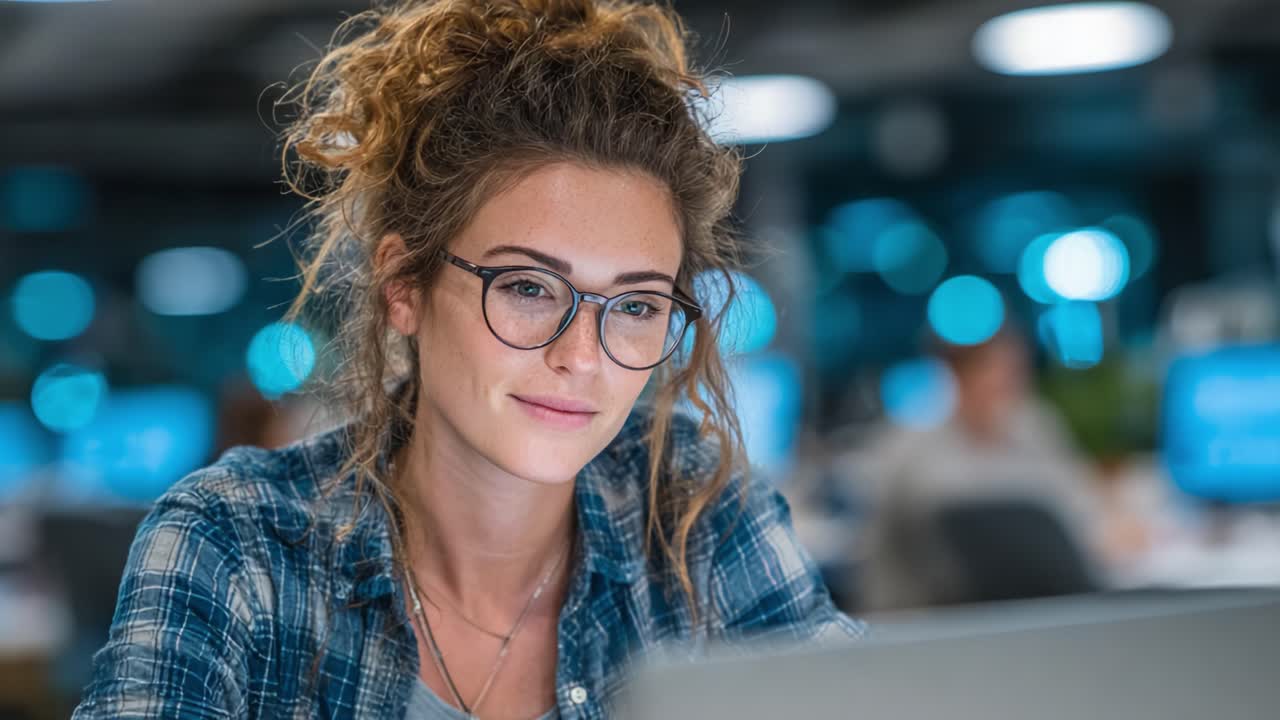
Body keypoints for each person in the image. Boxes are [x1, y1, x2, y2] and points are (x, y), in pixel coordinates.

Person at [71, 1, 861, 718]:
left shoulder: (692, 514)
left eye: (637, 305)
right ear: (402, 287)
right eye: (527, 286)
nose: (581, 356)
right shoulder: (237, 545)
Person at [857, 325, 1106, 610]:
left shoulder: (1035, 427)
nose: (1009, 385)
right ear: (960, 377)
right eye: (995, 372)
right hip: (937, 613)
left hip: (1036, 606)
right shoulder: (912, 447)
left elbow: (1080, 502)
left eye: (1015, 373)